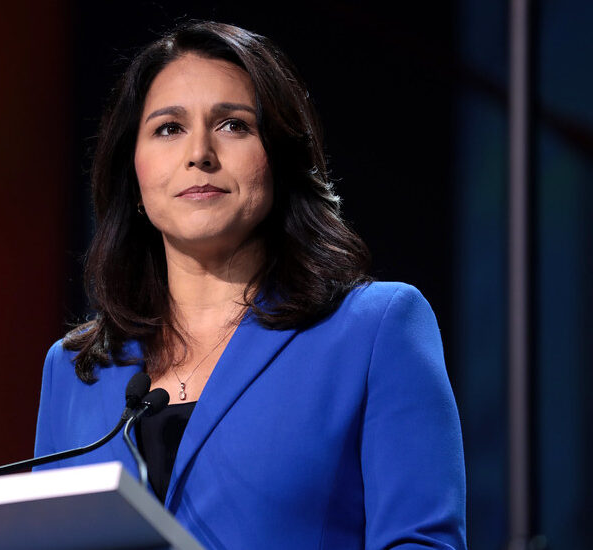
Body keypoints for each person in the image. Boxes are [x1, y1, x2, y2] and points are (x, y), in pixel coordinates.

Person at [33, 21, 466, 549]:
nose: (200, 153)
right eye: (168, 128)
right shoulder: (76, 369)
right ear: (135, 175)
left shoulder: (375, 330)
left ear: (278, 159)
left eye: (233, 125)